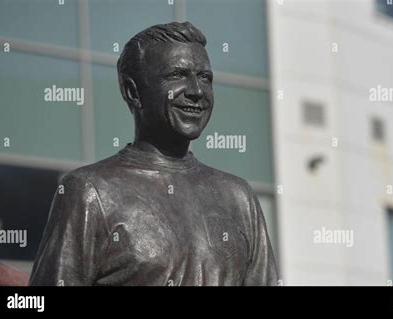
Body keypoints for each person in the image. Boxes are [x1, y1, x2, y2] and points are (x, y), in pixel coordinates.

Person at [29, 22, 278, 286]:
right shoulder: (89, 192)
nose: (196, 91)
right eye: (177, 75)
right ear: (132, 92)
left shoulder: (238, 198)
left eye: (205, 77)